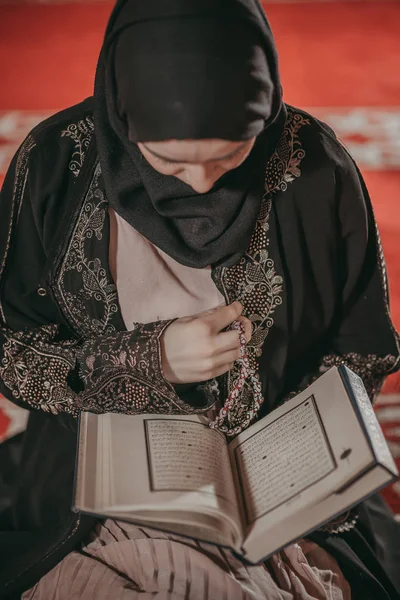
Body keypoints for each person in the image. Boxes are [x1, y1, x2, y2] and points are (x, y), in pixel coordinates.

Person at [0, 0, 399, 598]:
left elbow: (361, 352)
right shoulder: (58, 161)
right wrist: (147, 360)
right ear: (123, 115)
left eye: (230, 155)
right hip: (98, 481)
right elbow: (15, 357)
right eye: (166, 161)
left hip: (275, 488)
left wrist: (299, 455)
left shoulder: (317, 167)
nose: (201, 184)